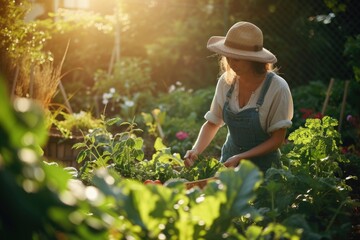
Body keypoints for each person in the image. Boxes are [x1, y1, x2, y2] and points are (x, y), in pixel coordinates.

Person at [184, 21, 293, 171]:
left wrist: (241, 157)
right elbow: (213, 123)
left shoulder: (277, 88)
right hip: (229, 161)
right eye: (228, 57)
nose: (231, 63)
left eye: (237, 58)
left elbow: (277, 140)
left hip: (265, 169)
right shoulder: (226, 82)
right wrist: (196, 150)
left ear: (253, 59)